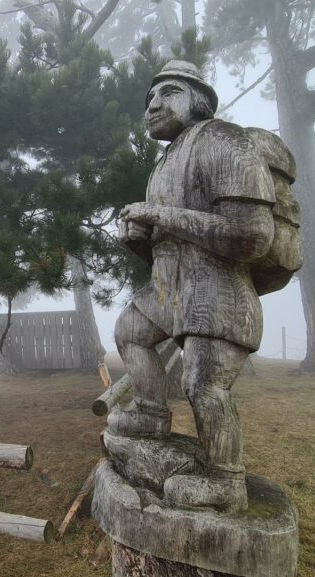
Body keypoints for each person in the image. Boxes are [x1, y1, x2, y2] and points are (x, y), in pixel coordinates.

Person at [112, 60, 275, 512]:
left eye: (168, 92)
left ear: (197, 99)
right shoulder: (163, 163)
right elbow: (166, 242)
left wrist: (160, 216)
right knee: (129, 331)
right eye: (149, 99)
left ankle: (226, 482)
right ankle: (149, 414)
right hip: (169, 289)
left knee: (203, 384)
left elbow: (253, 236)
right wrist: (139, 240)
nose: (153, 105)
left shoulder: (223, 139)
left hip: (216, 289)